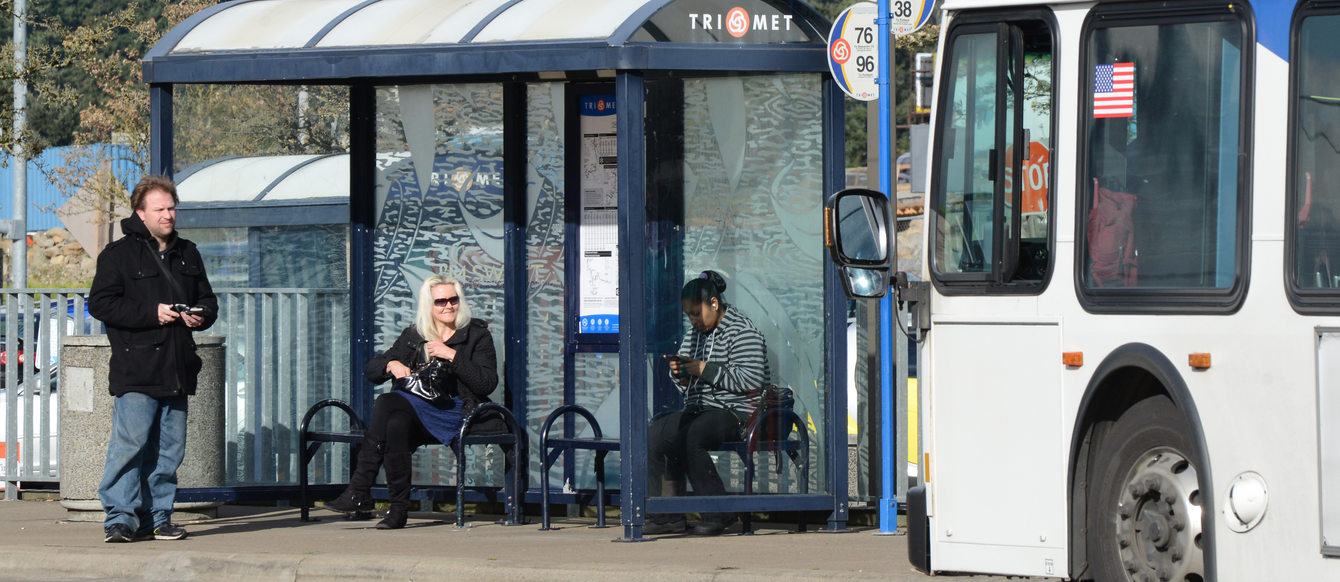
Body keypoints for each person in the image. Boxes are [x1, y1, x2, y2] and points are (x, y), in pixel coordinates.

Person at [89, 174, 218, 543]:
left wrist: (201, 315)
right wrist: (152, 312)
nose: (169, 215)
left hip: (177, 369)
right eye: (160, 209)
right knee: (129, 447)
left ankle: (158, 517)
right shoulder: (118, 255)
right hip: (137, 369)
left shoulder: (188, 252)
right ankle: (120, 517)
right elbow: (101, 304)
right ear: (140, 213)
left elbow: (209, 302)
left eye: (172, 208)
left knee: (169, 451)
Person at [324, 275, 499, 529]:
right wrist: (390, 364)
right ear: (429, 305)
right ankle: (396, 511)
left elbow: (486, 383)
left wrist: (452, 355)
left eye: (453, 299)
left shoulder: (477, 334)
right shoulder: (415, 335)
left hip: (456, 411)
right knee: (394, 422)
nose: (448, 306)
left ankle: (360, 490)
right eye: (441, 301)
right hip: (420, 411)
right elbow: (372, 369)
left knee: (387, 402)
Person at [645, 270, 770, 536]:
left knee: (692, 435)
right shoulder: (695, 335)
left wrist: (703, 369)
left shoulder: (743, 332)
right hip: (699, 409)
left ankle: (718, 512)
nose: (693, 320)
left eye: (696, 313)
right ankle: (666, 515)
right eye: (688, 315)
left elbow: (750, 381)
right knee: (655, 434)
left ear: (714, 303)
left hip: (735, 411)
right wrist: (680, 373)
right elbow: (689, 382)